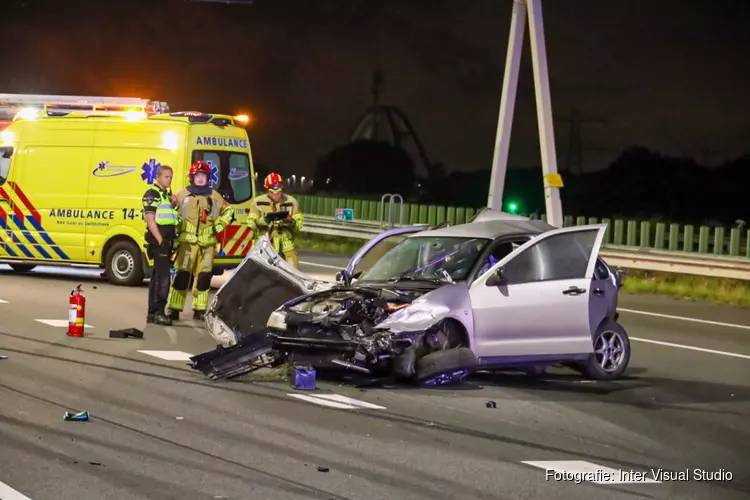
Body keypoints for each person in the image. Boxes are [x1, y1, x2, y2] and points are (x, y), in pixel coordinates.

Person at [166, 161, 234, 321]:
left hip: (207, 245)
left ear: (208, 178)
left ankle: (199, 309)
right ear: (192, 177)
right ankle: (174, 308)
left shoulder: (215, 197)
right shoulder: (181, 195)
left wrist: (218, 227)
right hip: (187, 244)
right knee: (181, 276)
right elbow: (170, 212)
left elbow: (229, 212)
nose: (201, 179)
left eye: (203, 176)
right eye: (198, 176)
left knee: (204, 277)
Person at [142, 165, 179, 326]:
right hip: (159, 241)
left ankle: (152, 313)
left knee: (157, 277)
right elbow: (150, 220)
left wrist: (175, 203)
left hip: (166, 240)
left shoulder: (166, 195)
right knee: (163, 278)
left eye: (171, 177)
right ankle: (159, 312)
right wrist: (160, 241)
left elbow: (170, 217)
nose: (169, 180)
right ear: (158, 177)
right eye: (166, 177)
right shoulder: (152, 194)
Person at [247, 172, 304, 268]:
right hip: (265, 246)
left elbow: (299, 224)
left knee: (293, 276)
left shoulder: (291, 202)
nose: (276, 195)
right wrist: (261, 222)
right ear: (267, 190)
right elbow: (250, 223)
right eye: (273, 192)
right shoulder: (257, 202)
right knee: (263, 276)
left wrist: (291, 223)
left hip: (287, 247)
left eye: (279, 191)